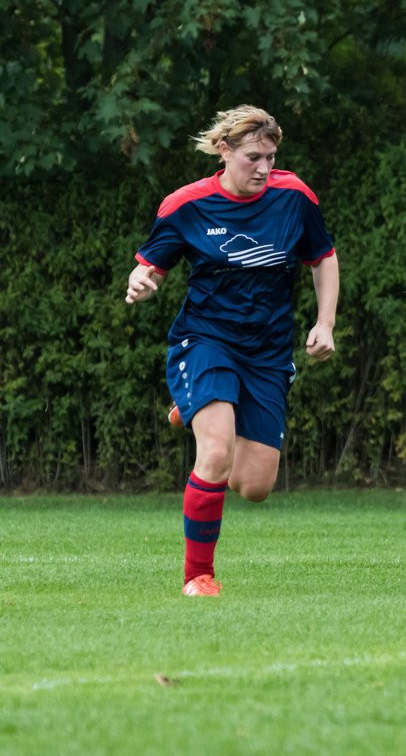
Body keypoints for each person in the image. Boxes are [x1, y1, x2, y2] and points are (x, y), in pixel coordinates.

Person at [124, 105, 339, 597]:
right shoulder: (185, 205)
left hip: (266, 351)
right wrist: (142, 281)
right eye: (252, 157)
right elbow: (150, 267)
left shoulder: (294, 197)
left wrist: (325, 323)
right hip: (205, 339)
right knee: (215, 452)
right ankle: (198, 577)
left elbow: (322, 259)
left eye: (271, 156)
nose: (263, 168)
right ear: (224, 152)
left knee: (255, 486)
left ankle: (194, 405)